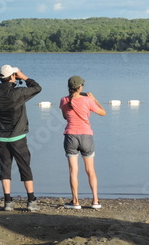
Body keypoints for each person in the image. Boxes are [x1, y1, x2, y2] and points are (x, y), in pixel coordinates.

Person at [0, 65, 42, 212]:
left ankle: (7, 202)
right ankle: (31, 201)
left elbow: (5, 88)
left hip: (1, 138)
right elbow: (37, 88)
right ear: (12, 77)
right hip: (17, 137)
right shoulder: (18, 93)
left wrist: (13, 78)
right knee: (24, 166)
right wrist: (23, 77)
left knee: (5, 168)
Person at [59, 76, 106, 209]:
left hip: (70, 136)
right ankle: (95, 201)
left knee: (73, 171)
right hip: (86, 135)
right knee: (90, 170)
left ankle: (75, 202)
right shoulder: (87, 100)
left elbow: (65, 116)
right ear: (80, 87)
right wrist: (94, 99)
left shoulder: (64, 100)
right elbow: (103, 112)